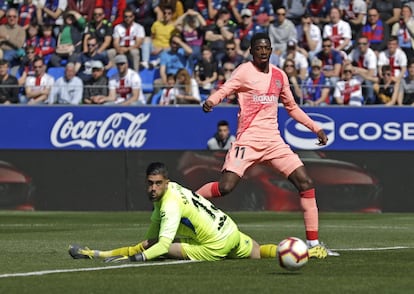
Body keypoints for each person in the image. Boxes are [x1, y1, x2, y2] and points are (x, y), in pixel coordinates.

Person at [196, 32, 338, 257]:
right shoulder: (244, 71)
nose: (263, 52)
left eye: (266, 48)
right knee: (225, 187)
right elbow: (226, 88)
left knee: (306, 182)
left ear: (271, 50)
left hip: (273, 142)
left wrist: (315, 127)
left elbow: (292, 108)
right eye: (258, 48)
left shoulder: (279, 76)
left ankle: (313, 244)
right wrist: (212, 101)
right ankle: (192, 200)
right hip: (248, 140)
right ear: (251, 51)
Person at [69, 162, 322, 262]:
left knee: (163, 249)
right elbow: (149, 237)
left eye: (158, 183)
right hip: (229, 229)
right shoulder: (174, 189)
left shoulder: (169, 204)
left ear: (166, 183)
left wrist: (133, 258)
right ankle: (307, 253)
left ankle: (95, 254)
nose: (153, 188)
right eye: (150, 183)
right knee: (259, 252)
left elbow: (159, 245)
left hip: (215, 245)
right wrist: (144, 246)